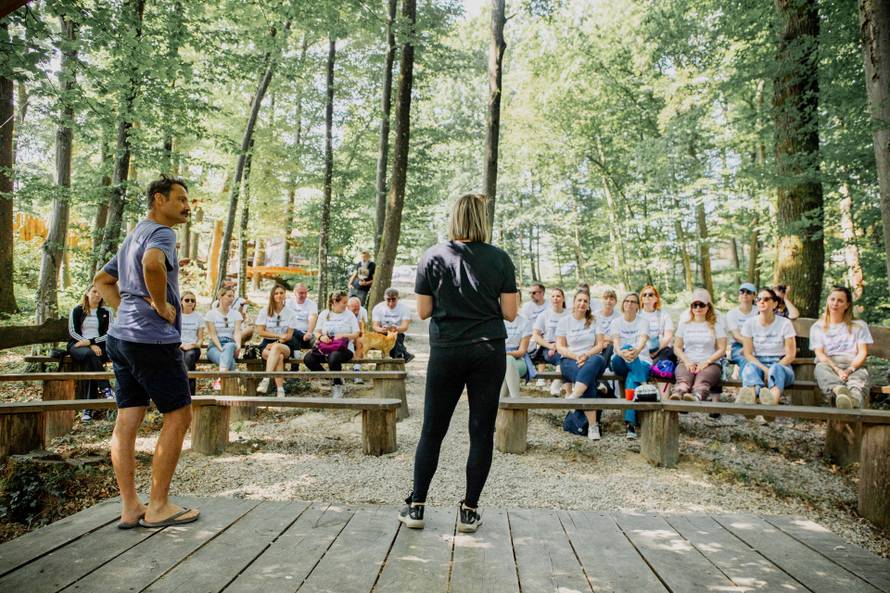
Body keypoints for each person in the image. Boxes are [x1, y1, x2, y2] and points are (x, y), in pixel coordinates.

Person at [399, 193, 517, 534]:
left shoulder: (433, 256)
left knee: (433, 430)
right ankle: (469, 511)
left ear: (454, 218)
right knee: (481, 433)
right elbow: (510, 312)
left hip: (448, 350)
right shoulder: (500, 258)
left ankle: (417, 506)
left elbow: (423, 311)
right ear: (482, 219)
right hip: (488, 351)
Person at [93, 174, 199, 529]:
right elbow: (152, 265)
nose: (187, 206)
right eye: (180, 199)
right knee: (179, 416)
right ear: (159, 199)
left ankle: (130, 506)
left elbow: (102, 280)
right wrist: (159, 304)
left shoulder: (134, 234)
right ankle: (158, 506)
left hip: (120, 339)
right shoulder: (162, 234)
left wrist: (124, 310)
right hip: (151, 340)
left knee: (128, 418)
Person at [555, 291, 609, 440]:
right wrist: (577, 356)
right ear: (574, 302)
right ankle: (593, 426)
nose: (582, 303)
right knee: (589, 380)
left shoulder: (594, 321)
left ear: (588, 304)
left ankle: (573, 396)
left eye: (585, 301)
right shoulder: (564, 321)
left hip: (590, 359)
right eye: (579, 300)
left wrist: (586, 355)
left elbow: (599, 345)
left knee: (598, 359)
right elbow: (560, 347)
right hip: (569, 361)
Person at [810, 286, 872, 408]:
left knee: (857, 382)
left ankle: (852, 401)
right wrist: (837, 369)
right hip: (829, 366)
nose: (835, 303)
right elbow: (820, 354)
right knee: (820, 368)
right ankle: (839, 391)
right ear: (828, 301)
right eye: (832, 299)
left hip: (855, 366)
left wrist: (850, 369)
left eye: (840, 301)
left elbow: (862, 353)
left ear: (847, 305)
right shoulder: (817, 327)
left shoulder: (859, 326)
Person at [736, 288, 796, 406]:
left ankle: (772, 403)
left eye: (766, 299)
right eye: (759, 299)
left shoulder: (785, 323)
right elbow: (748, 354)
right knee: (750, 367)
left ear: (774, 303)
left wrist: (772, 369)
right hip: (759, 364)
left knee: (776, 369)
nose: (761, 302)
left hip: (782, 364)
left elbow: (790, 355)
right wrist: (765, 370)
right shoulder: (749, 323)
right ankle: (749, 401)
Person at [67, 285, 114, 422]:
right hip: (77, 345)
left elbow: (109, 333)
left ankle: (87, 410)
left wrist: (92, 342)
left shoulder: (106, 311)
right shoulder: (77, 310)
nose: (97, 294)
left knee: (92, 361)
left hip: (100, 347)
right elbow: (73, 332)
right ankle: (105, 388)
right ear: (87, 293)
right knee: (89, 355)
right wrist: (88, 343)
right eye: (94, 291)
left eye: (100, 292)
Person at [608, 292, 651, 439]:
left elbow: (643, 340)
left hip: (641, 360)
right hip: (619, 361)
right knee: (626, 346)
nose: (629, 304)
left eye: (633, 302)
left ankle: (630, 424)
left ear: (638, 306)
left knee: (631, 380)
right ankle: (643, 381)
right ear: (622, 304)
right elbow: (616, 343)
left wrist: (636, 351)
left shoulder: (643, 322)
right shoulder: (616, 322)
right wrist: (623, 352)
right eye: (627, 301)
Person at [671, 289, 726, 402]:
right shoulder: (684, 325)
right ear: (691, 308)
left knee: (702, 382)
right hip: (688, 361)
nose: (698, 308)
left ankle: (697, 397)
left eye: (701, 305)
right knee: (683, 381)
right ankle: (679, 395)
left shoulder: (716, 326)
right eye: (694, 305)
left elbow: (722, 348)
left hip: (710, 363)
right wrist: (686, 361)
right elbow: (677, 347)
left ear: (707, 307)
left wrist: (706, 362)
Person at [306, 290, 360, 399]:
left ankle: (337, 386)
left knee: (333, 356)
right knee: (308, 358)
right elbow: (316, 332)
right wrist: (321, 337)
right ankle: (332, 378)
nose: (346, 305)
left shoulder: (349, 315)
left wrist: (344, 335)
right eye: (344, 302)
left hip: (344, 349)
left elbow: (357, 333)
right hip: (326, 348)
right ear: (335, 302)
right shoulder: (325, 314)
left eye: (347, 302)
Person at [256, 284, 298, 397]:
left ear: (285, 295)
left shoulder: (290, 313)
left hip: (285, 345)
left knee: (276, 348)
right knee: (278, 357)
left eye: (281, 293)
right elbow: (260, 331)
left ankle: (266, 379)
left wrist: (277, 342)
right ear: (272, 295)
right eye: (276, 293)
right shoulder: (265, 311)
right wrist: (278, 336)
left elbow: (289, 336)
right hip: (266, 344)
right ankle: (280, 390)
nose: (279, 295)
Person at [531, 287, 568, 395]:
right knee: (561, 359)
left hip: (566, 345)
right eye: (553, 296)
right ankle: (556, 385)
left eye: (558, 296)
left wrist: (560, 345)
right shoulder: (544, 315)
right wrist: (550, 346)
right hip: (548, 347)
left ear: (563, 299)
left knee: (567, 357)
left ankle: (563, 386)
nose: (555, 298)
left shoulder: (569, 314)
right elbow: (536, 335)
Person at [204, 286, 243, 390]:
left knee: (230, 345)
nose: (231, 298)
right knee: (232, 364)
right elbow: (213, 334)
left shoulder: (236, 314)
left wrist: (238, 346)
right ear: (220, 297)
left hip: (230, 345)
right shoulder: (211, 314)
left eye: (233, 296)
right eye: (229, 296)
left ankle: (220, 379)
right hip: (214, 347)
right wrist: (221, 349)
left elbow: (237, 332)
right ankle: (226, 384)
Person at [371, 287, 415, 362]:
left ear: (398, 298)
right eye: (388, 300)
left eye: (393, 299)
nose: (391, 303)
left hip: (398, 333)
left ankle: (397, 358)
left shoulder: (404, 308)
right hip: (382, 334)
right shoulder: (378, 308)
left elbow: (405, 327)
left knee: (394, 338)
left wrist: (397, 329)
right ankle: (403, 354)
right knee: (392, 340)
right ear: (384, 298)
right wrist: (381, 329)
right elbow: (375, 326)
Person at [724, 283, 758, 376]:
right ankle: (747, 388)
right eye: (742, 292)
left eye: (748, 292)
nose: (745, 294)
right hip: (738, 346)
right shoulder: (732, 313)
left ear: (754, 295)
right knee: (746, 358)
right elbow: (737, 337)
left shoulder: (759, 311)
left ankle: (760, 388)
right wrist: (752, 345)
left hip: (759, 345)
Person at [500, 302, 532, 399]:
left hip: (518, 360)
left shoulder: (524, 322)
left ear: (519, 302)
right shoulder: (497, 321)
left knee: (508, 360)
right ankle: (512, 400)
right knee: (505, 366)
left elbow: (522, 351)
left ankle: (514, 399)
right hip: (497, 360)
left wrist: (505, 354)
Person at [639, 284, 675, 363]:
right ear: (641, 298)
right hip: (641, 350)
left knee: (670, 351)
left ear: (656, 299)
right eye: (644, 295)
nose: (647, 296)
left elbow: (668, 336)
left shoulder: (664, 315)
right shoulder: (636, 315)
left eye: (650, 294)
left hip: (661, 350)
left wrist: (657, 352)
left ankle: (657, 366)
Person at [179, 290, 203, 396]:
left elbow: (201, 339)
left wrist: (194, 345)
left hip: (193, 348)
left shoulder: (198, 317)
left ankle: (186, 394)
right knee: (182, 360)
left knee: (189, 357)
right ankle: (189, 394)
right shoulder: (176, 316)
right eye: (187, 300)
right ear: (181, 302)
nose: (190, 302)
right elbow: (172, 335)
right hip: (178, 346)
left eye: (192, 300)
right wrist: (180, 345)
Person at [285, 283, 318, 350]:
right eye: (301, 293)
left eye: (305, 293)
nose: (304, 295)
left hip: (306, 333)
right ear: (294, 292)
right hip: (292, 332)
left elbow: (313, 318)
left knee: (316, 340)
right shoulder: (287, 303)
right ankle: (296, 355)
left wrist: (309, 332)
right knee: (291, 336)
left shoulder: (311, 304)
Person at [594, 289, 619, 367]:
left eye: (611, 299)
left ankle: (603, 370)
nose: (608, 301)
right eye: (606, 298)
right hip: (596, 345)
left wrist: (606, 340)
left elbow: (619, 337)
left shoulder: (619, 316)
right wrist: (601, 343)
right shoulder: (594, 315)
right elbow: (591, 334)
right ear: (602, 300)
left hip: (612, 346)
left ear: (615, 302)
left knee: (610, 347)